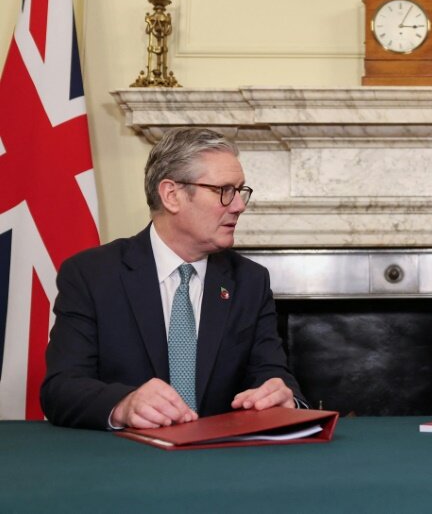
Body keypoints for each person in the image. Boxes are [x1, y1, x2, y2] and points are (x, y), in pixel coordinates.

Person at [41, 128, 307, 430]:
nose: (239, 205)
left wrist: (283, 397)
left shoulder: (249, 281)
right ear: (172, 195)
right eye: (224, 191)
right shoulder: (92, 275)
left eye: (240, 190)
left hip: (221, 462)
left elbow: (271, 373)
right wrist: (123, 405)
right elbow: (61, 388)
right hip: (127, 461)